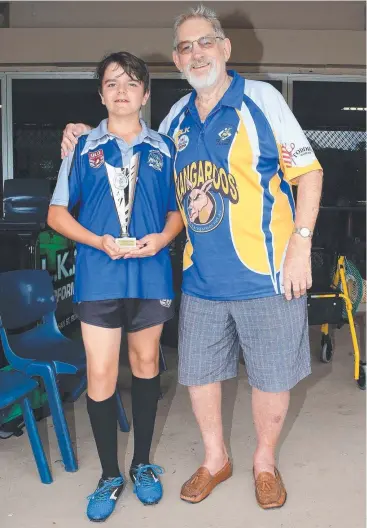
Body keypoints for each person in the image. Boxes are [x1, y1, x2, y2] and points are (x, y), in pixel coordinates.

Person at [60, 5, 323, 511]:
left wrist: (301, 245)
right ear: (178, 61)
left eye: (205, 42)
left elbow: (308, 174)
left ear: (224, 48)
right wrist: (81, 133)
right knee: (199, 376)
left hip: (266, 276)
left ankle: (264, 463)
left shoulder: (262, 101)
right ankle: (215, 458)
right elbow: (134, 153)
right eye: (185, 47)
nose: (196, 52)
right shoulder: (175, 117)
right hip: (199, 279)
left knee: (271, 379)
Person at [49, 51, 183, 522]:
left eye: (131, 83)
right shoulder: (82, 149)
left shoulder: (165, 149)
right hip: (98, 274)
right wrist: (98, 240)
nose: (121, 90)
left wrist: (163, 239)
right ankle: (110, 474)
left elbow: (177, 211)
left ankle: (142, 463)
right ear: (101, 93)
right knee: (102, 373)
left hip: (150, 273)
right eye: (111, 83)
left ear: (146, 94)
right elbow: (57, 214)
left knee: (146, 363)